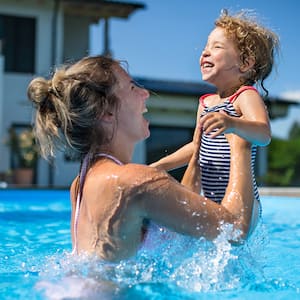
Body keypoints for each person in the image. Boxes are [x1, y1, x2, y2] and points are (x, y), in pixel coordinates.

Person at [28, 55, 257, 262]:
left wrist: (198, 155)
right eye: (131, 87)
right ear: (106, 113)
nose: (145, 93)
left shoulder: (80, 184)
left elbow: (179, 222)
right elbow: (234, 229)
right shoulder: (135, 181)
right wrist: (240, 143)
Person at [151, 9, 279, 204]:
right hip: (212, 200)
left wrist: (232, 123)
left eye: (217, 47)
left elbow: (263, 135)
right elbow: (196, 147)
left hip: (243, 202)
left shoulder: (244, 95)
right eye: (205, 47)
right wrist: (160, 166)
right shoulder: (205, 103)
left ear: (245, 63)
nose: (205, 52)